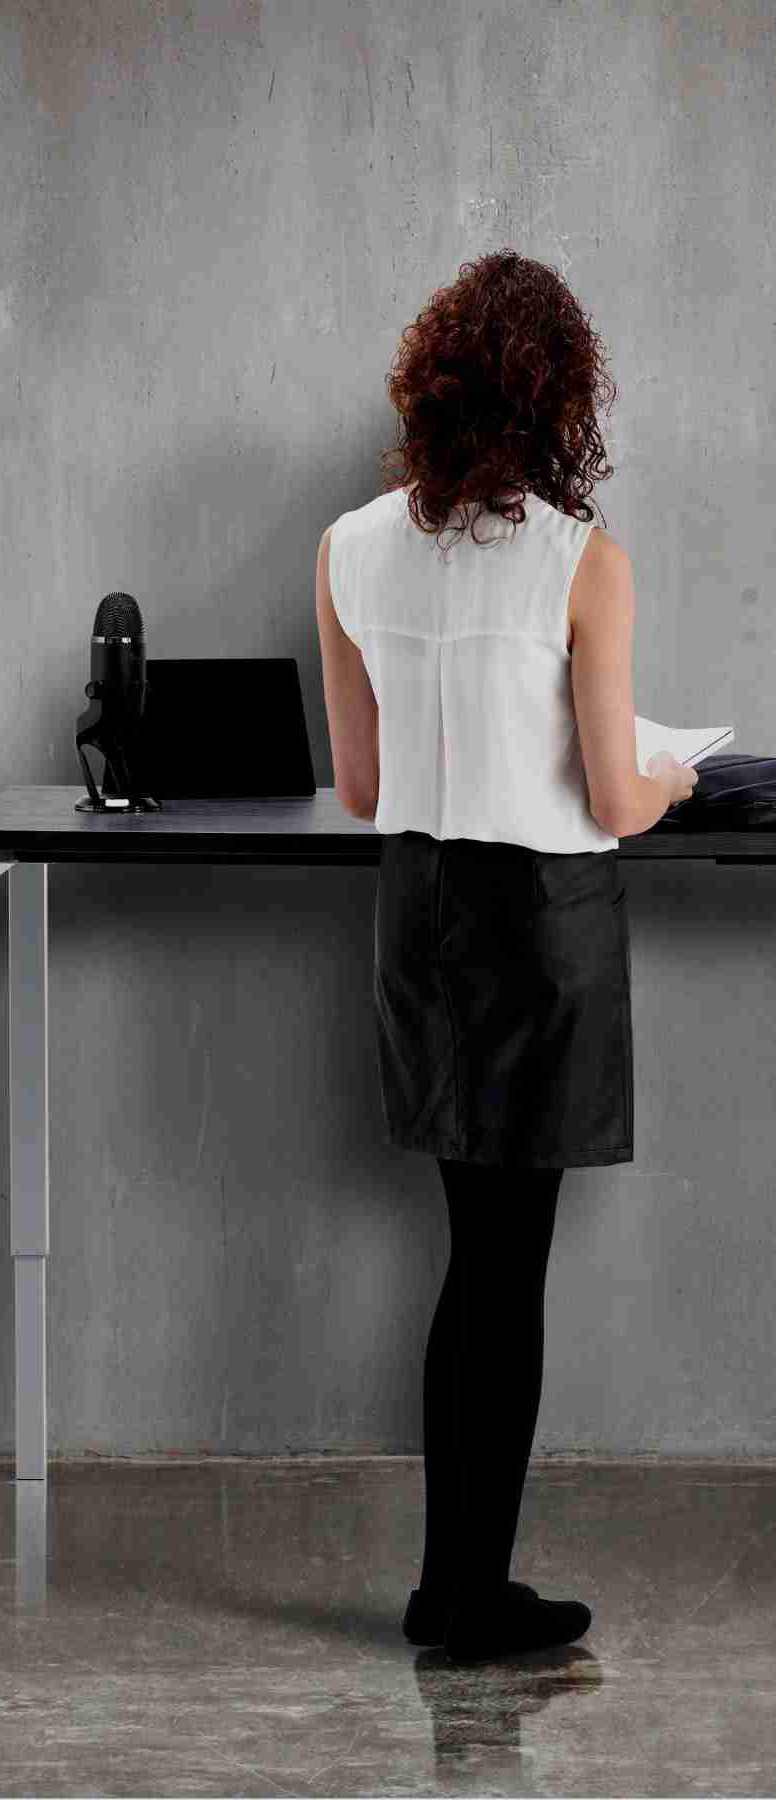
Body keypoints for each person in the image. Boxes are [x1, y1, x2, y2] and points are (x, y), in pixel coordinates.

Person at [316, 248, 697, 1665]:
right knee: (505, 1264)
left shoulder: (347, 548)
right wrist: (673, 776)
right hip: (538, 922)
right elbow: (615, 799)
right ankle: (473, 1598)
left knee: (470, 1254)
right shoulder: (583, 563)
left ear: (431, 386)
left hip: (419, 914)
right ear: (561, 400)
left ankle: (450, 1582)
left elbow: (361, 786)